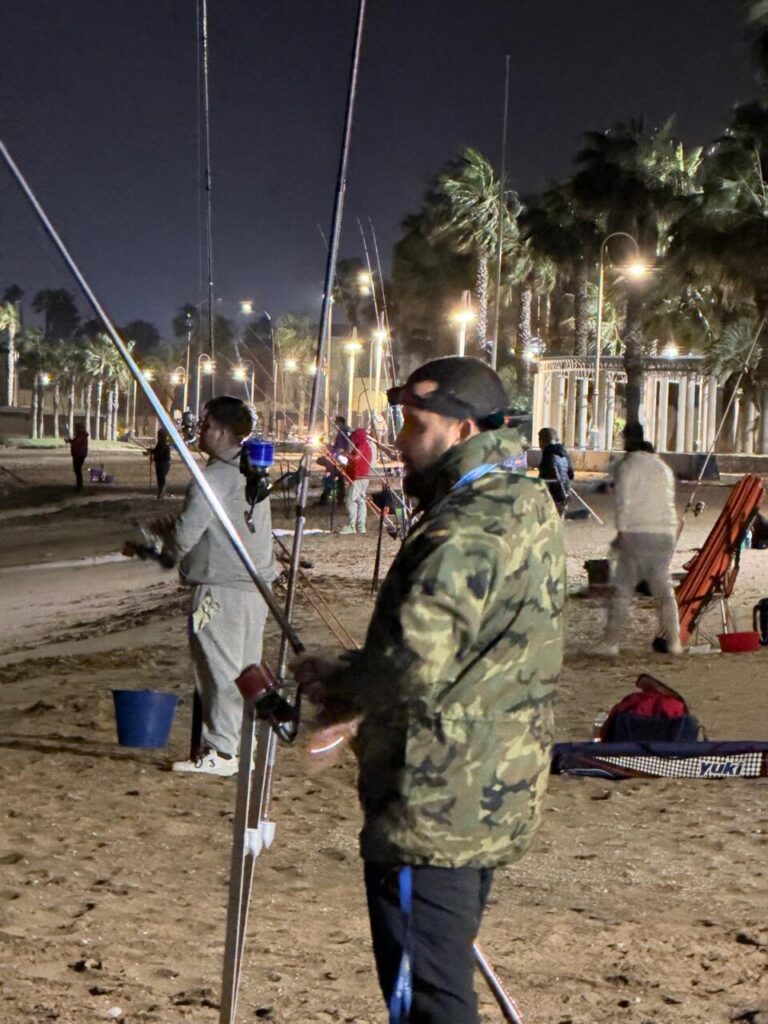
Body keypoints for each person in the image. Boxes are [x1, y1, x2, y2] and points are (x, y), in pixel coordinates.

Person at [292, 356, 566, 1024]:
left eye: (415, 425)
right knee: (440, 986)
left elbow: (413, 663)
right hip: (484, 789)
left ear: (462, 428)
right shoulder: (522, 500)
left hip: (433, 804)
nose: (400, 440)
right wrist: (352, 672)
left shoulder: (464, 526)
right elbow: (458, 646)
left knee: (430, 1002)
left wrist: (346, 696)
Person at [156, 395, 276, 776]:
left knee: (219, 670)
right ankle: (243, 747)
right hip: (255, 588)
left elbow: (189, 531)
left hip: (221, 589)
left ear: (222, 431)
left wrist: (166, 547)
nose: (201, 432)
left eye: (206, 426)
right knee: (246, 670)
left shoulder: (215, 478)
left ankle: (222, 752)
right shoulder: (251, 470)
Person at [600, 422, 682, 656]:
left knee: (623, 589)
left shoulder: (628, 465)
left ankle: (611, 643)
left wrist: (621, 531)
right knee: (664, 591)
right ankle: (675, 641)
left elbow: (623, 501)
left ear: (627, 440)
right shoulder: (662, 466)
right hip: (665, 533)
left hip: (637, 531)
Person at [339, 427, 372, 534]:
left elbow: (357, 458)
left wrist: (344, 453)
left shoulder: (362, 446)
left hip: (359, 478)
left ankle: (352, 526)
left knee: (350, 500)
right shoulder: (362, 446)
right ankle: (361, 527)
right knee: (361, 501)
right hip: (362, 478)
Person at [538, 427, 574, 516]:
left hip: (555, 496)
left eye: (539, 440)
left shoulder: (547, 454)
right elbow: (571, 474)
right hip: (566, 492)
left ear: (542, 441)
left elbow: (550, 476)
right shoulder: (565, 453)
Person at [148, 427, 172, 499]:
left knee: (162, 478)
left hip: (164, 463)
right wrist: (151, 451)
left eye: (159, 435)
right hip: (158, 462)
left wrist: (152, 451)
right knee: (159, 478)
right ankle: (160, 494)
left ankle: (162, 494)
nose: (158, 436)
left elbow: (159, 452)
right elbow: (156, 451)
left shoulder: (164, 444)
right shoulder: (159, 443)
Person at [65, 424, 89, 491]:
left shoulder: (83, 436)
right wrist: (69, 440)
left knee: (77, 470)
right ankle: (79, 485)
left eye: (77, 428)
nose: (76, 430)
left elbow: (76, 443)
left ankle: (80, 486)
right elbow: (74, 441)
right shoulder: (80, 435)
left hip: (80, 455)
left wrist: (71, 441)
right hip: (77, 454)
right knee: (77, 470)